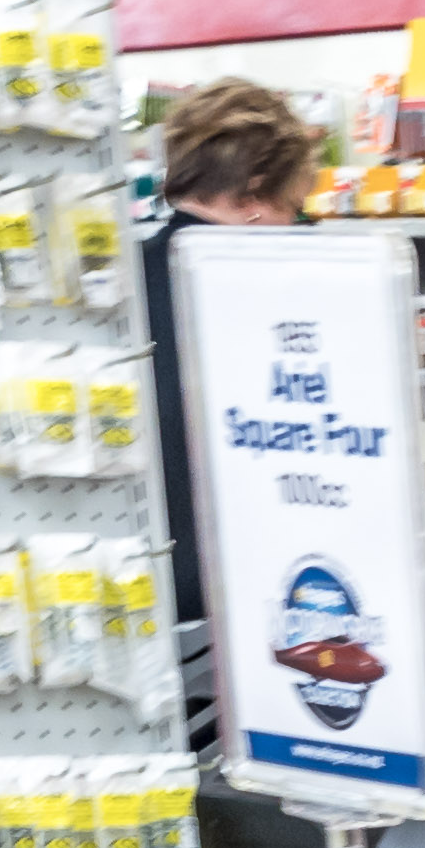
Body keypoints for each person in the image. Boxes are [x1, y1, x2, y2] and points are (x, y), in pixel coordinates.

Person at [141, 78, 319, 625]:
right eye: (295, 207)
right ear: (253, 196)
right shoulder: (273, 292)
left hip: (144, 592)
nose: (297, 224)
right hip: (241, 595)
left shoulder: (128, 280)